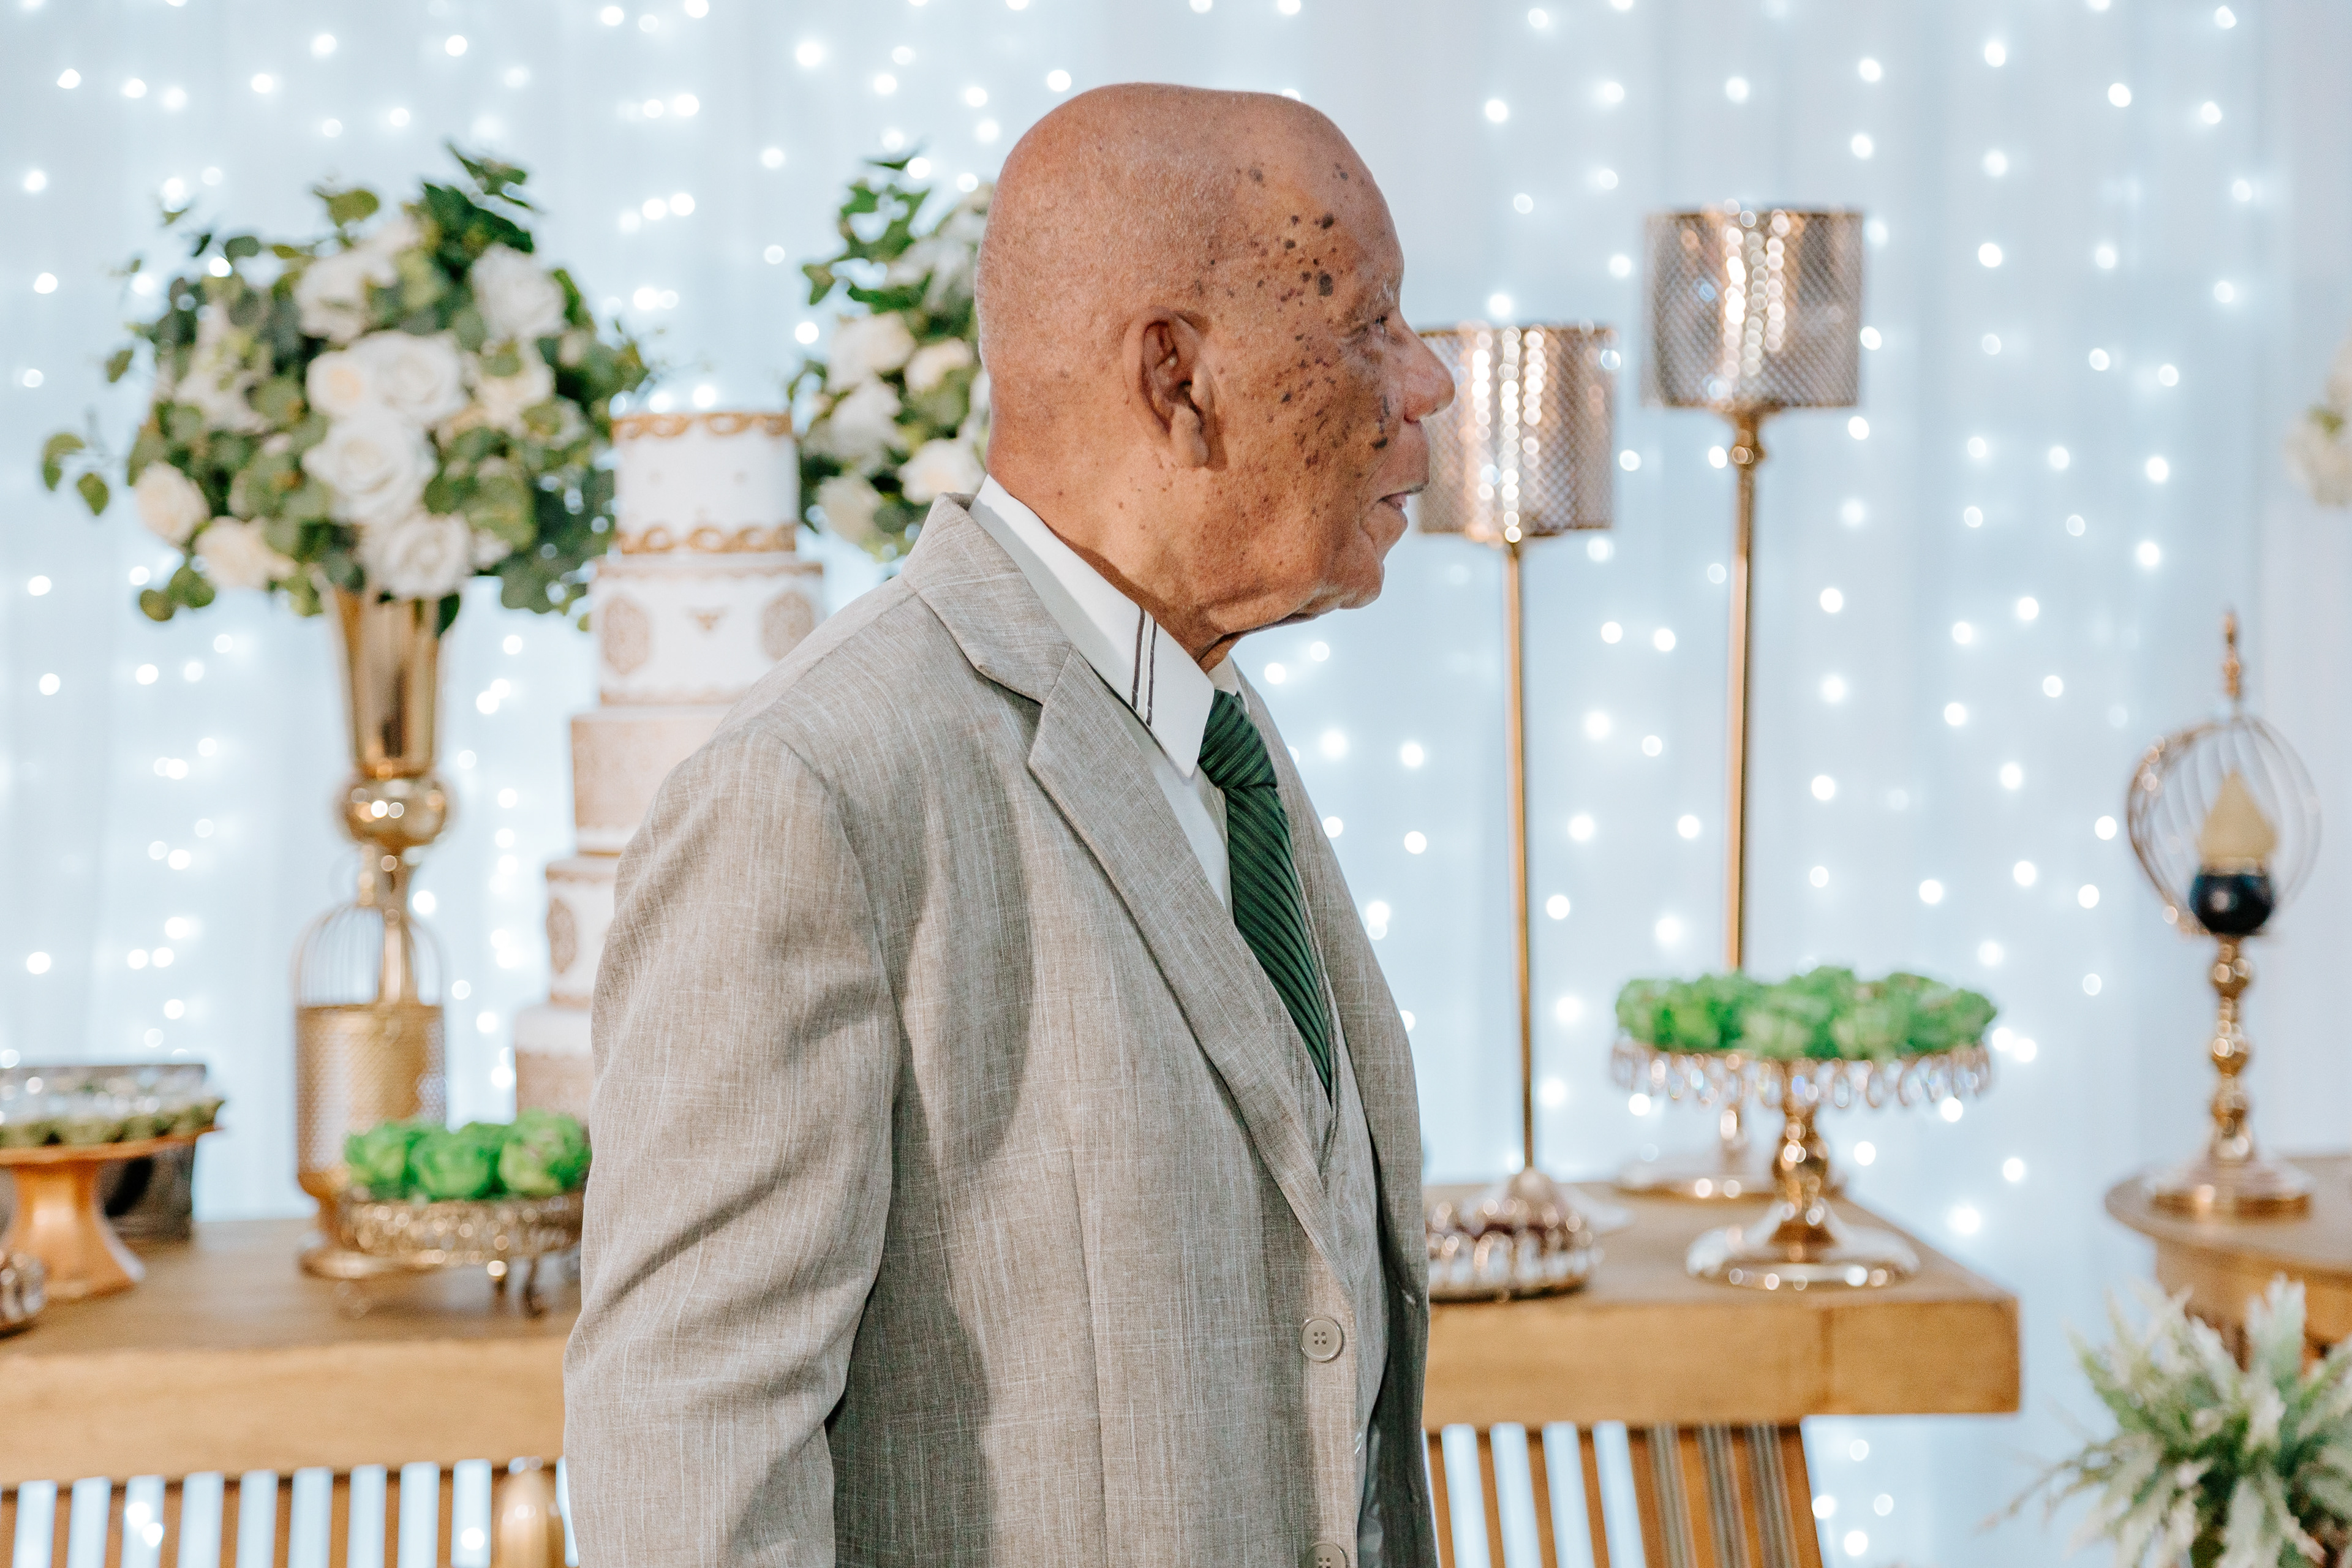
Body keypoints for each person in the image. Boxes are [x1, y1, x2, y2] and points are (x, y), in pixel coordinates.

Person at [565, 82, 1455, 1568]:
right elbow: (687, 1480)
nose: (1428, 381)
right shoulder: (815, 790)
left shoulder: (1221, 731)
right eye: (1371, 321)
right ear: (1177, 377)